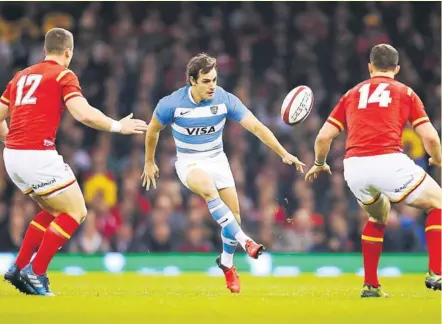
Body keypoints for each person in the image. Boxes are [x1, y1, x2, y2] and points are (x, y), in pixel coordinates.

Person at [0, 28, 148, 296]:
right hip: (37, 155)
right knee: (77, 212)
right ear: (68, 52)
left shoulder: (20, 77)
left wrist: (8, 138)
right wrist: (118, 126)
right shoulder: (63, 75)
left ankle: (18, 267)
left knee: (56, 210)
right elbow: (83, 114)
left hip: (12, 157)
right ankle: (37, 272)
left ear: (45, 50)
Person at [141, 53, 305, 293]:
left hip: (218, 160)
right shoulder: (171, 104)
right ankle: (246, 241)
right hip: (190, 162)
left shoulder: (225, 100)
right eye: (206, 81)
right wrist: (149, 162)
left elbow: (257, 127)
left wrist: (283, 153)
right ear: (192, 81)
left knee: (234, 218)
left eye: (215, 79)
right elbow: (153, 130)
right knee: (208, 190)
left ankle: (227, 264)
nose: (212, 86)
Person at [305, 44, 441, 297]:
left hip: (354, 167)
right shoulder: (405, 92)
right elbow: (430, 137)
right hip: (387, 160)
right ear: (397, 68)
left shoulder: (351, 94)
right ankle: (436, 272)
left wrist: (320, 163)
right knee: (438, 203)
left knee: (378, 216)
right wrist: (437, 159)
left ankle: (371, 285)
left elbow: (323, 137)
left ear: (370, 67)